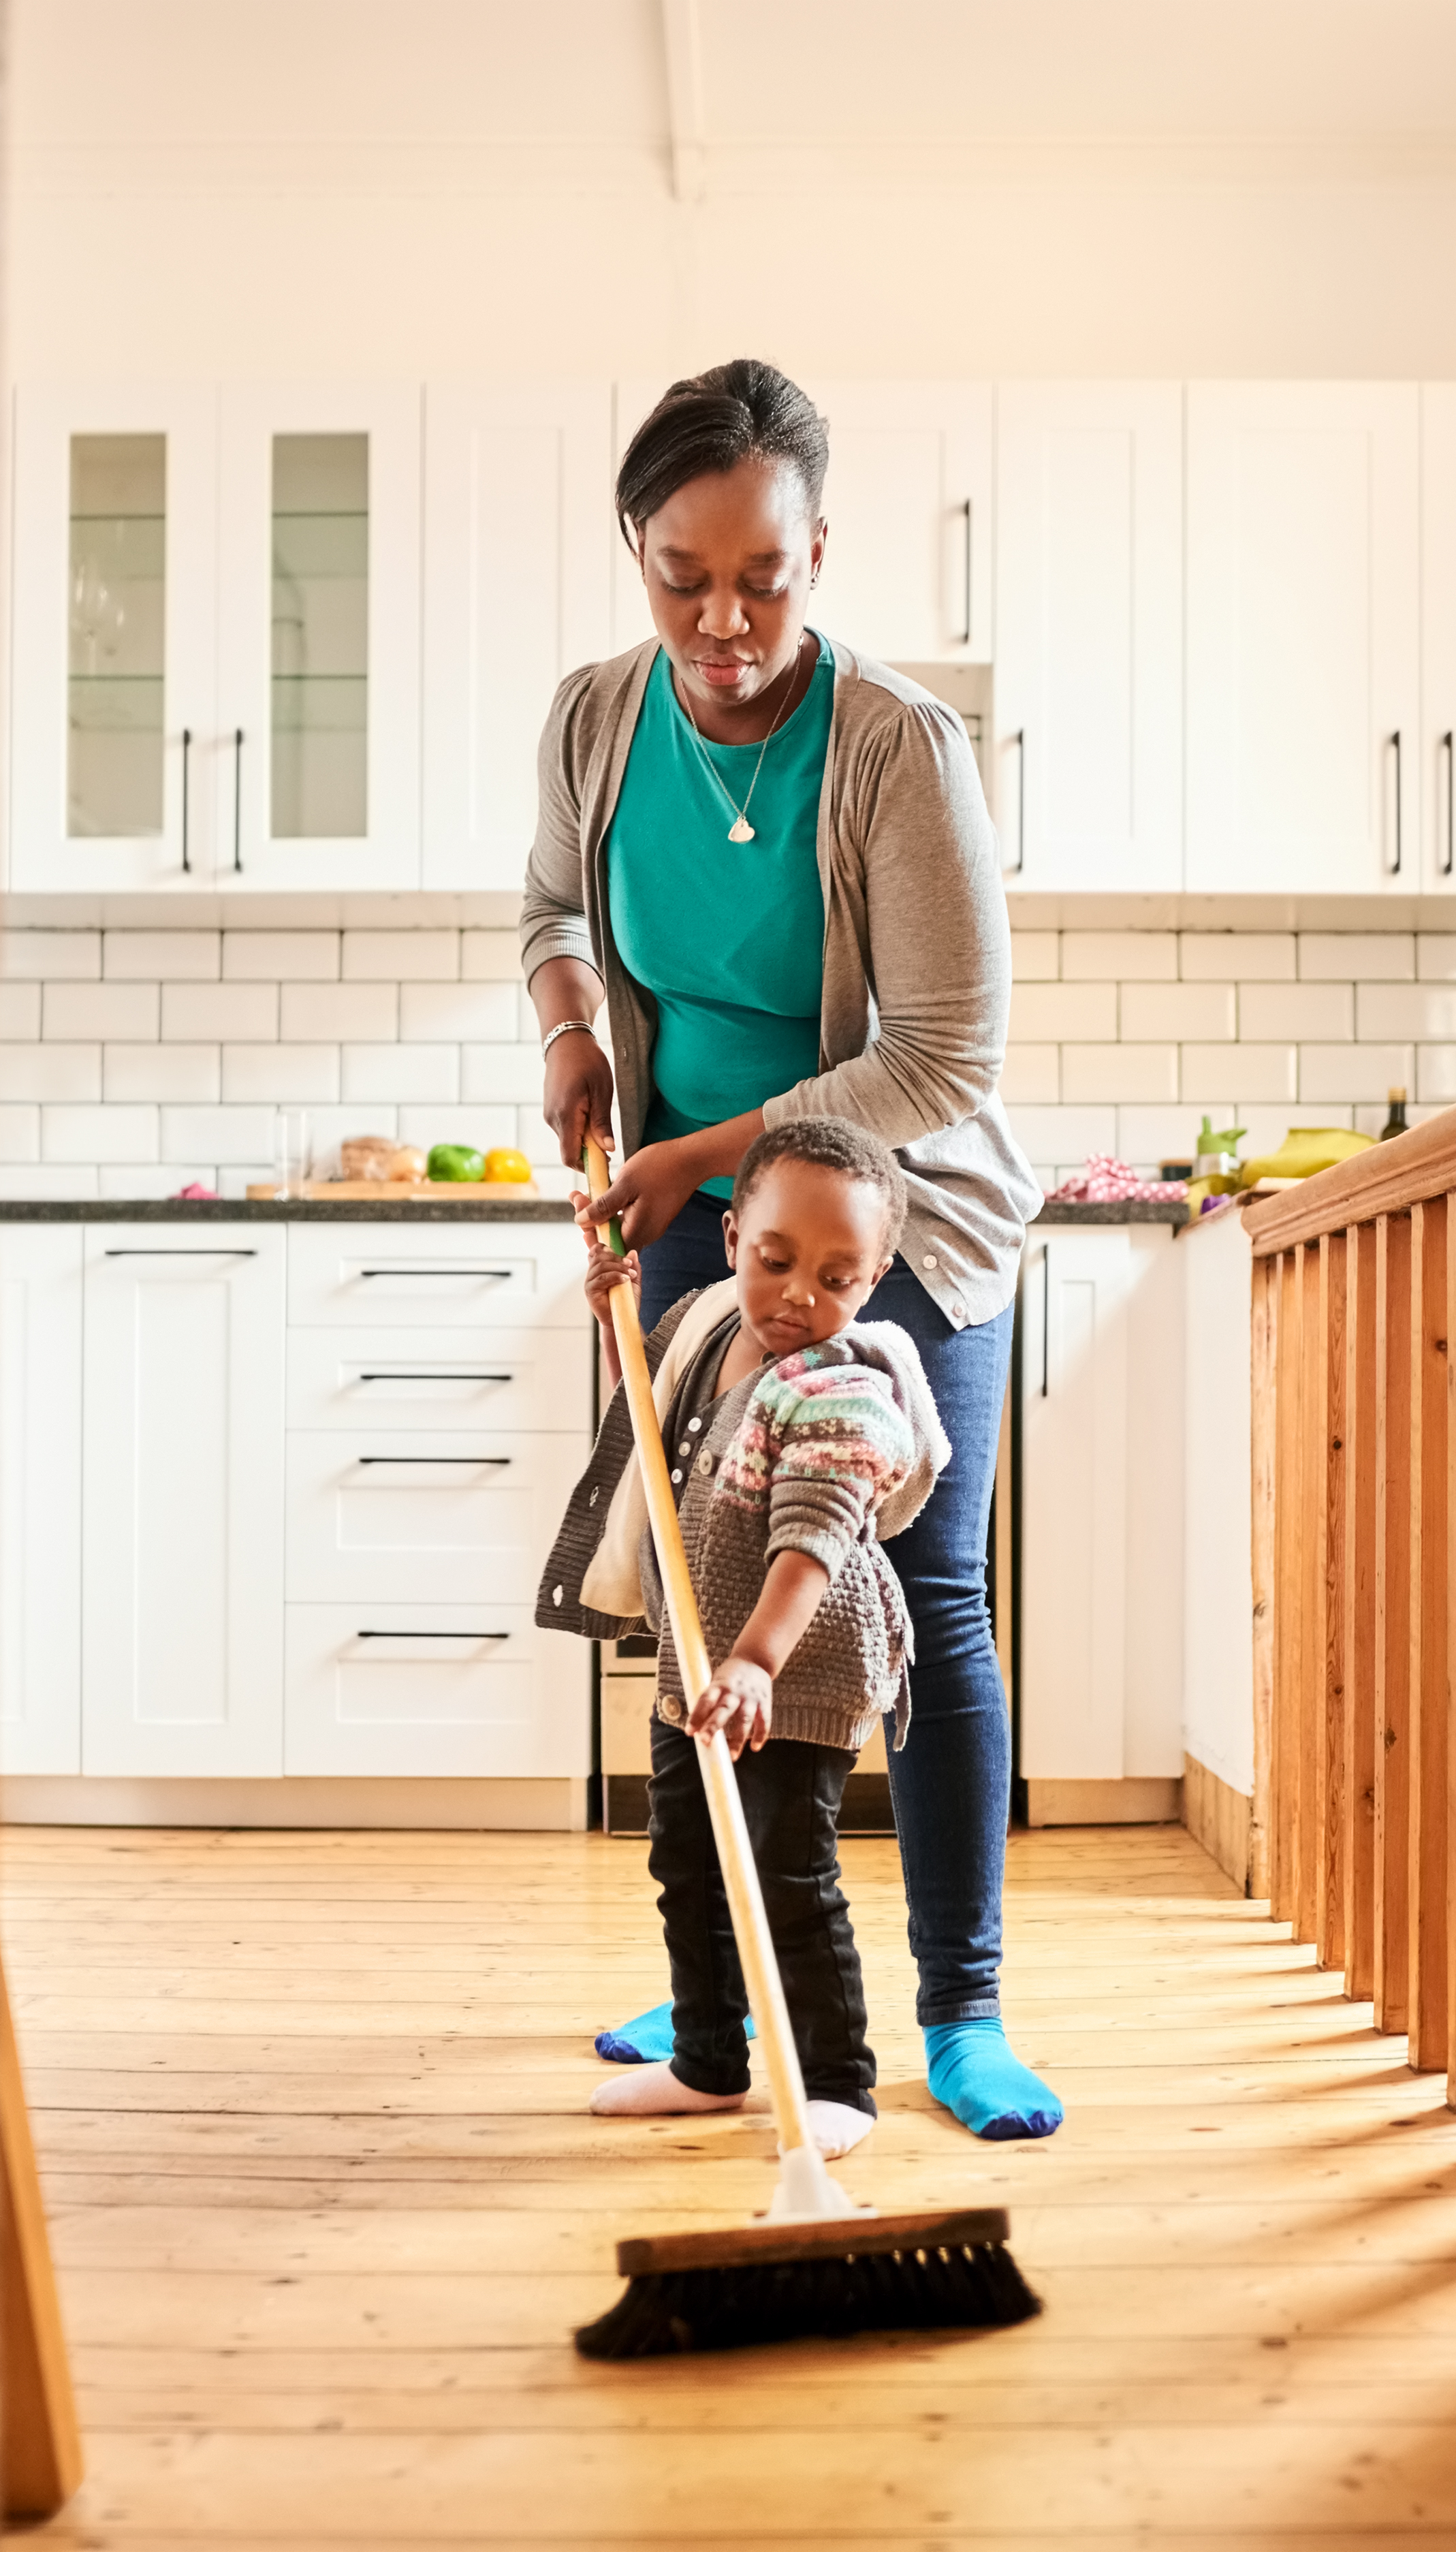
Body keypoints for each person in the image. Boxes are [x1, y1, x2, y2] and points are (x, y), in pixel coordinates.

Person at [521, 357, 1064, 2142]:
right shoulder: (599, 720)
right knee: (704, 1592)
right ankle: (714, 1985)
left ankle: (961, 2005)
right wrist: (570, 1036)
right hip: (702, 1220)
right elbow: (548, 907)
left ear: (819, 551)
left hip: (894, 1208)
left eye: (764, 575)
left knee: (918, 1598)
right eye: (684, 575)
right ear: (639, 553)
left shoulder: (900, 747)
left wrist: (684, 1154)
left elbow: (938, 1058)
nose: (725, 617)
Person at [540, 1119, 945, 2154]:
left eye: (837, 1277)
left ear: (876, 1277)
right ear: (732, 1242)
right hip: (701, 1660)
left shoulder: (841, 1383)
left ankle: (838, 2085)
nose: (801, 1298)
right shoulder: (710, 1329)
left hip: (794, 1664)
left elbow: (814, 1534)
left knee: (786, 1869)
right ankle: (712, 2063)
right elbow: (652, 1400)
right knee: (687, 1860)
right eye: (775, 1263)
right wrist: (612, 1319)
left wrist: (759, 1661)